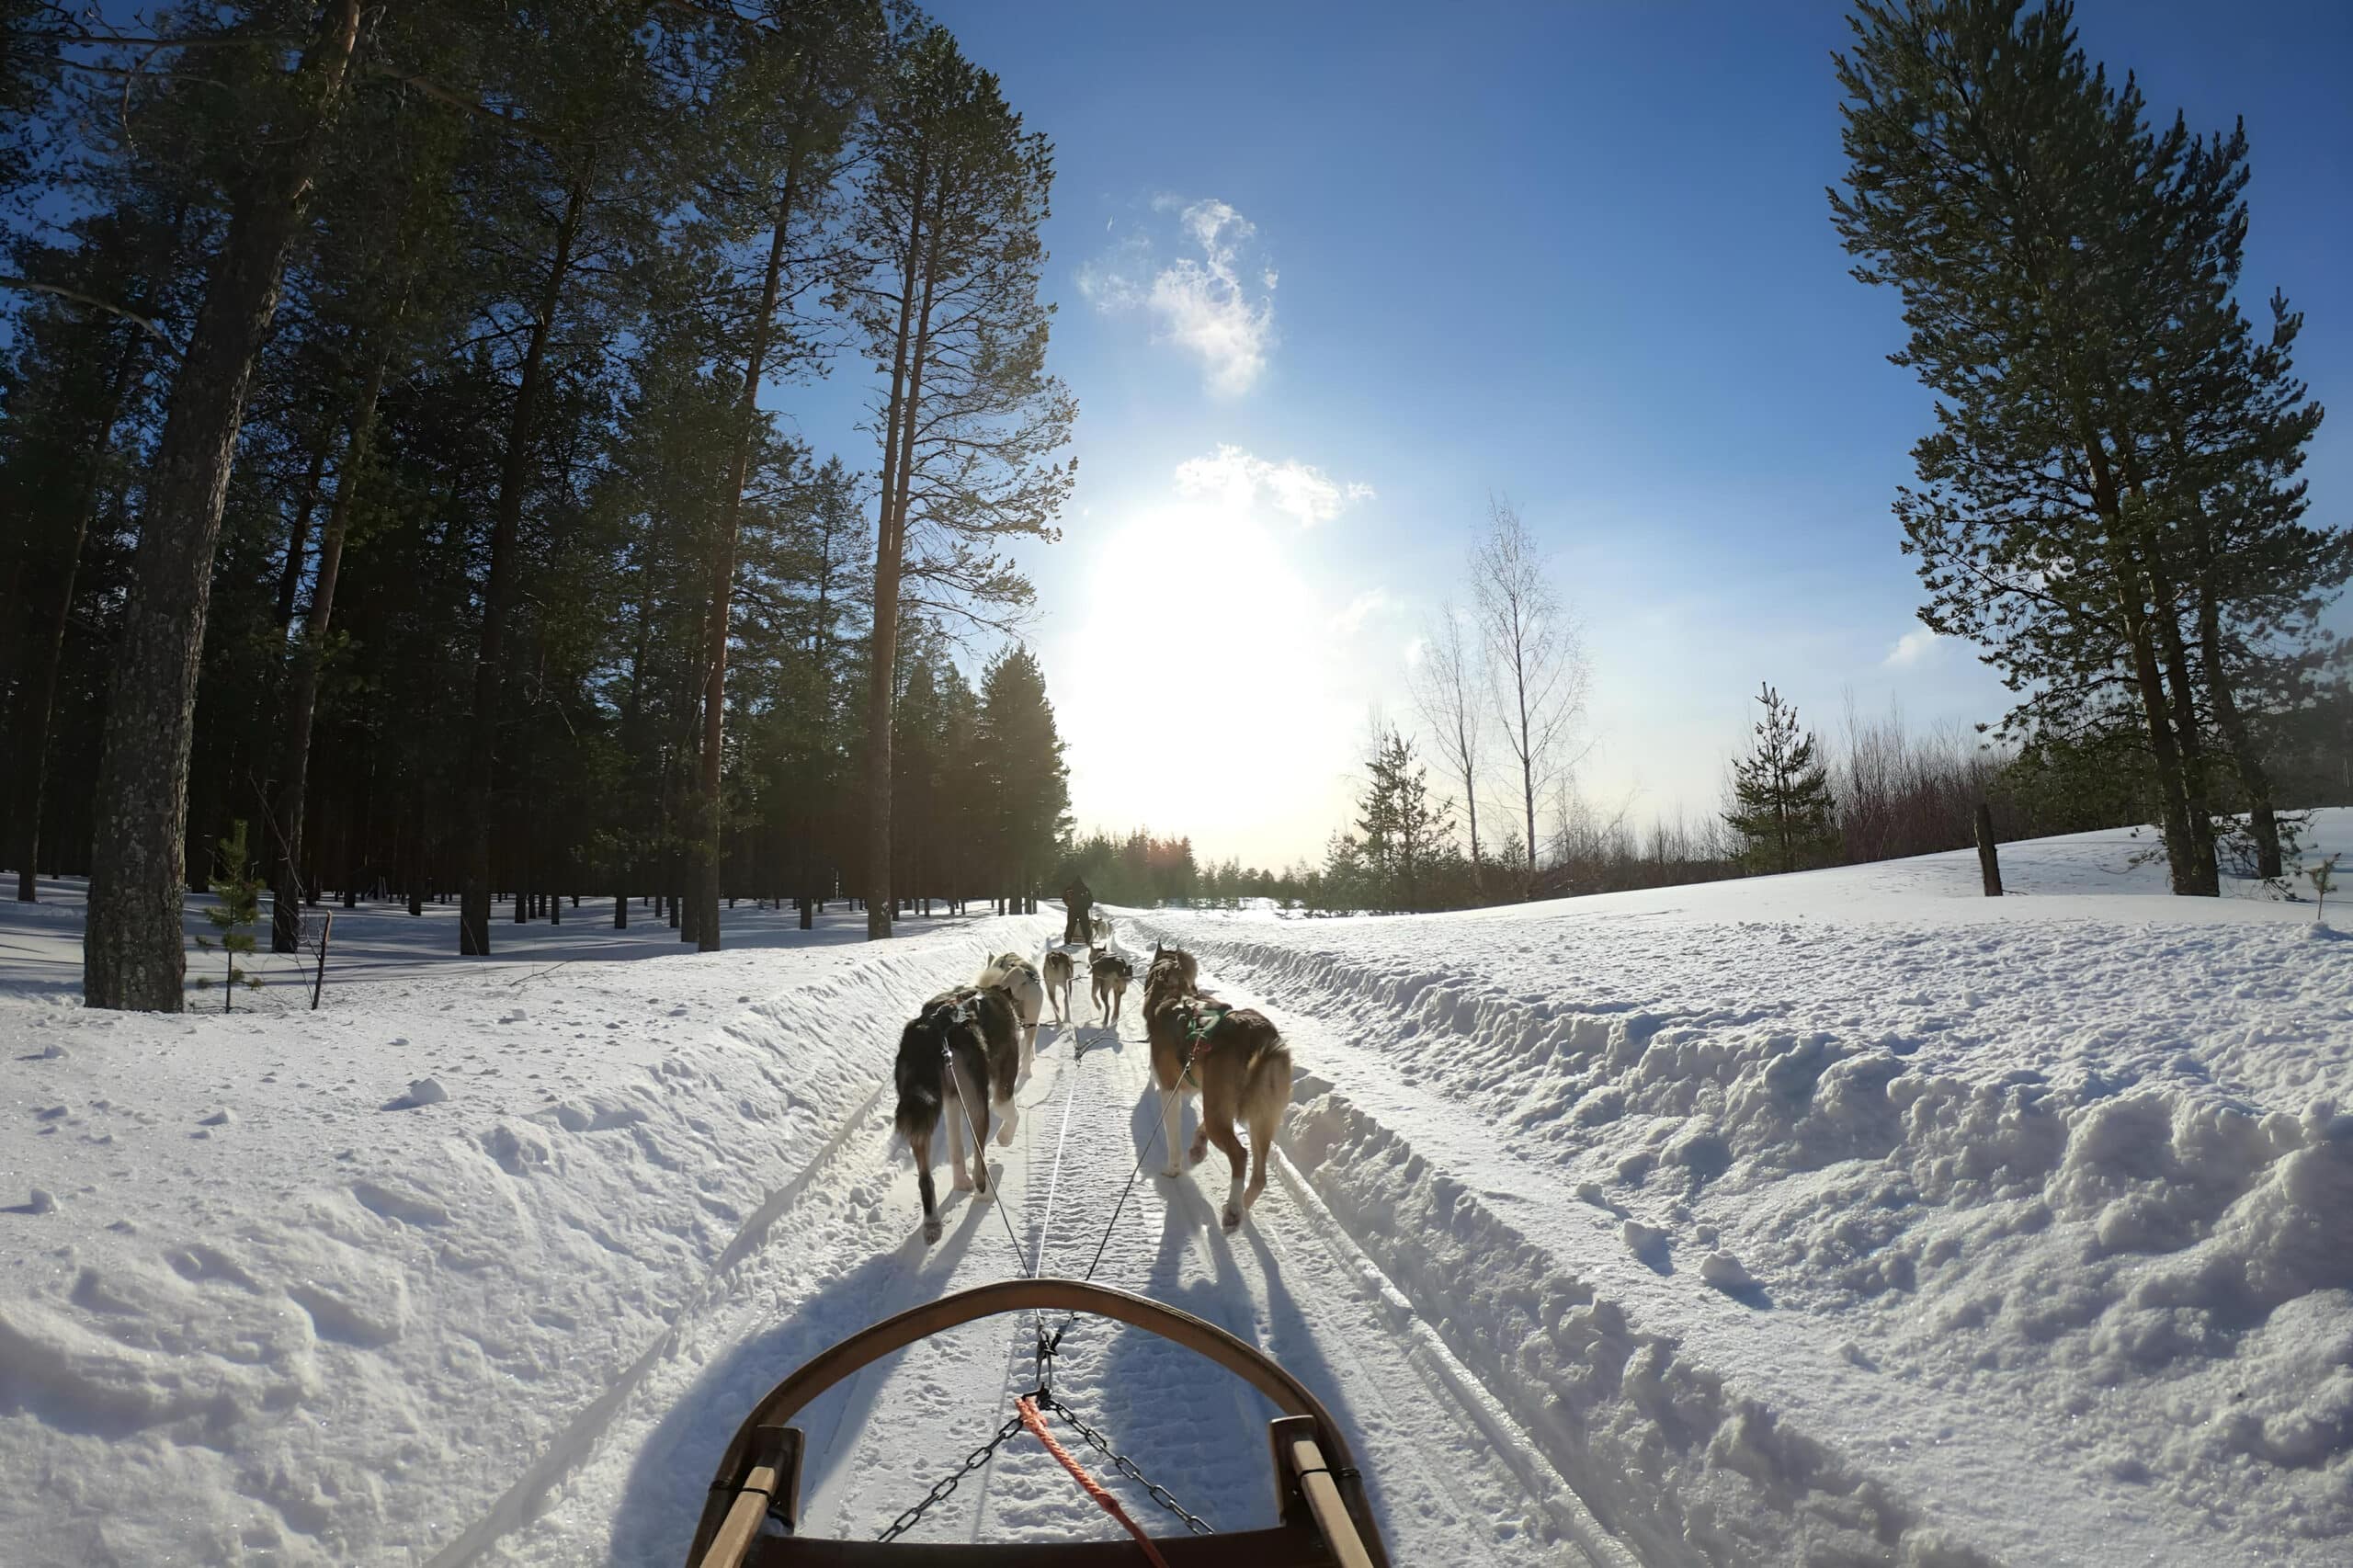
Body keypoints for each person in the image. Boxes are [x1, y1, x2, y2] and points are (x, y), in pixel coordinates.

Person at [1062, 876, 1093, 945]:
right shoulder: (1085, 889)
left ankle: (1067, 940)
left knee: (1070, 925)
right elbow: (1091, 899)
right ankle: (1088, 940)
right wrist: (1087, 906)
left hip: (1072, 909)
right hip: (1083, 910)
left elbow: (1064, 897)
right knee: (1085, 925)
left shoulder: (1070, 888)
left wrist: (1068, 904)